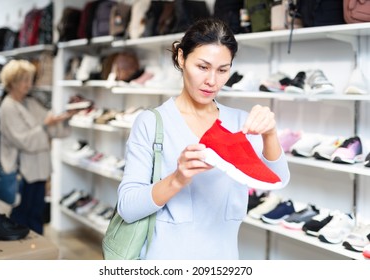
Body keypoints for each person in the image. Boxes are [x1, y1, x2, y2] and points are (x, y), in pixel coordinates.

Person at [117, 18, 290, 259]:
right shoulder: (151, 122)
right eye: (202, 67)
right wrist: (177, 179)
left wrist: (270, 134)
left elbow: (278, 179)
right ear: (181, 58)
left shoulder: (240, 123)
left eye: (223, 70)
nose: (212, 81)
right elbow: (127, 207)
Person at [0, 59, 74, 235]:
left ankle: (37, 253)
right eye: (25, 80)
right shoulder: (8, 107)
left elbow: (51, 126)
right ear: (13, 81)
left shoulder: (30, 103)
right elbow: (23, 140)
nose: (29, 84)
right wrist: (45, 125)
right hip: (23, 172)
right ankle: (21, 254)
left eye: (30, 79)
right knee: (21, 216)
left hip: (38, 169)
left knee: (35, 215)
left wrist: (65, 118)